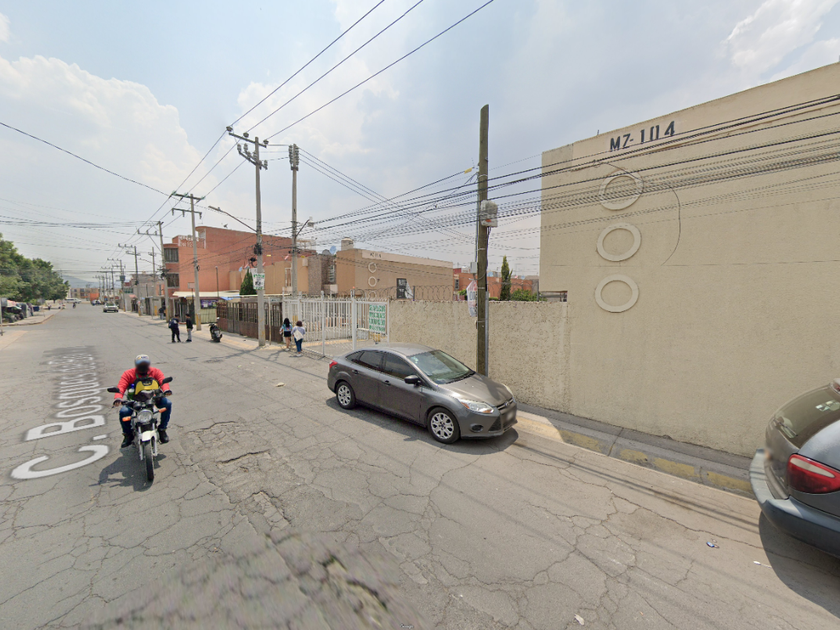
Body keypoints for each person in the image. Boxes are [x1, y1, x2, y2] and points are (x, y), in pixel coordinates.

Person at [111, 354, 173, 447]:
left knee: (167, 404)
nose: (143, 366)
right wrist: (118, 398)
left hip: (153, 399)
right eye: (140, 364)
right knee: (124, 412)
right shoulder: (128, 374)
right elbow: (121, 386)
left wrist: (166, 390)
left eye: (145, 364)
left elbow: (162, 380)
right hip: (135, 400)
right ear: (136, 364)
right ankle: (128, 434)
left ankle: (162, 429)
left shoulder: (155, 371)